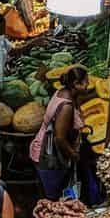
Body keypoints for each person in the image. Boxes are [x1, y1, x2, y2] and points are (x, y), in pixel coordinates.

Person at [29, 64, 90, 198]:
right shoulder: (66, 107)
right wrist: (74, 154)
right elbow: (59, 138)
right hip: (48, 156)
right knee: (53, 200)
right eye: (86, 82)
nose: (88, 85)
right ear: (76, 83)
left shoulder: (62, 91)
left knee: (50, 196)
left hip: (41, 150)